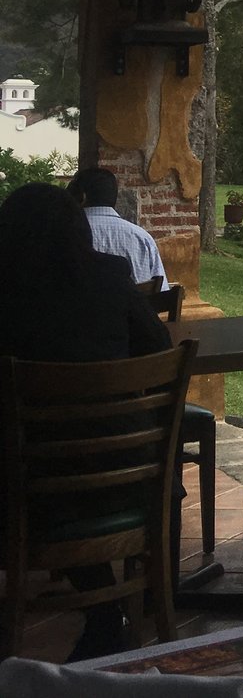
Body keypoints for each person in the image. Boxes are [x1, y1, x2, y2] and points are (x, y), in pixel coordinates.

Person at [0, 182, 173, 660]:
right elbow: (157, 350)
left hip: (24, 490)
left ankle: (102, 613)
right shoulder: (110, 276)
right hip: (124, 480)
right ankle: (119, 609)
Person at [66, 166, 166, 287]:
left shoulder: (66, 234)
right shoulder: (142, 239)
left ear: (82, 196)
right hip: (132, 305)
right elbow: (161, 293)